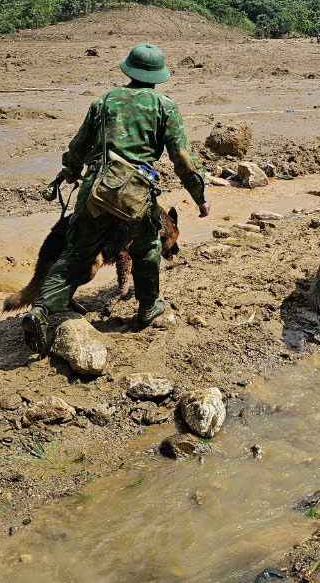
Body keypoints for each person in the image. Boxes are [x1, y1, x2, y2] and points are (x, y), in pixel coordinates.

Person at [20, 43, 210, 355]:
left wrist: (70, 169)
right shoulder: (166, 106)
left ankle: (39, 311)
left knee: (76, 253)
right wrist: (199, 196)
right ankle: (148, 308)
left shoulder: (104, 101)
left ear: (128, 70)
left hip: (97, 188)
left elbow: (79, 144)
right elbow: (182, 157)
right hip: (136, 193)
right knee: (147, 250)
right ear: (158, 77)